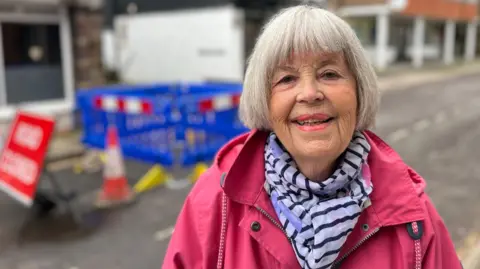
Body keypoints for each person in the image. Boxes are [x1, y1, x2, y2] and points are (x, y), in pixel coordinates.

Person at [162, 5, 462, 269]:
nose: (309, 94)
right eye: (287, 78)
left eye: (330, 74)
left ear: (359, 92)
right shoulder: (216, 201)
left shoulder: (413, 216)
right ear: (264, 100)